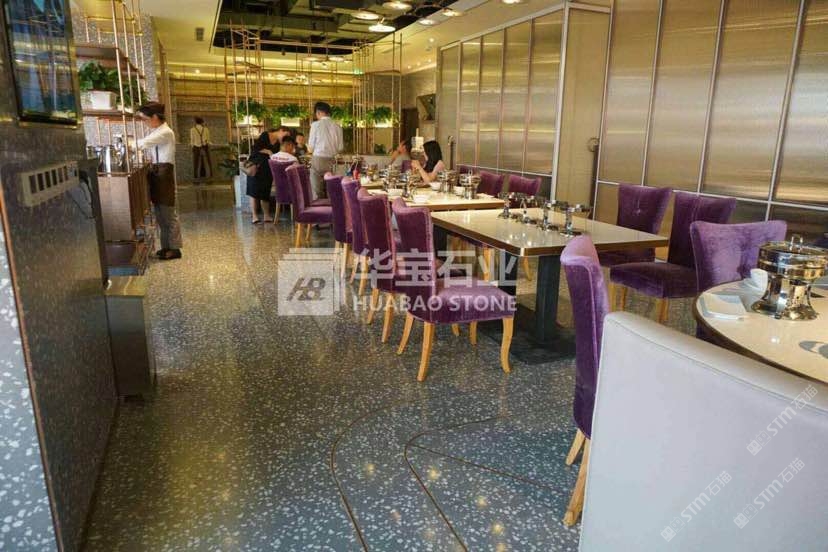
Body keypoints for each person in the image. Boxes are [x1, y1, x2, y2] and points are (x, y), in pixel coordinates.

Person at [137, 102, 182, 260]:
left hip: (164, 173)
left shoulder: (165, 132)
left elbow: (141, 144)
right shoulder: (158, 131)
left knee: (168, 214)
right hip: (158, 172)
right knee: (161, 215)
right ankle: (166, 247)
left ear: (155, 117)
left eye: (145, 119)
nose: (145, 122)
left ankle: (175, 249)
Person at [307, 101, 343, 199]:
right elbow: (340, 148)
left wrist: (310, 149)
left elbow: (310, 148)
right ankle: (330, 207)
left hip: (318, 160)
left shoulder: (315, 125)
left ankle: (319, 206)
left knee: (317, 191)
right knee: (330, 189)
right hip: (332, 160)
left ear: (318, 112)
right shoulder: (337, 126)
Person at [246, 129, 280, 223]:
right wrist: (268, 152)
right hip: (255, 167)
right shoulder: (265, 135)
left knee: (265, 192)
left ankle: (266, 215)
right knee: (253, 192)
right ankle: (254, 216)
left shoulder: (278, 142)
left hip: (267, 169)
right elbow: (256, 148)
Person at [190, 117, 212, 181]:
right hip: (205, 147)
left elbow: (192, 140)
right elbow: (208, 140)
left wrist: (192, 147)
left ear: (195, 122)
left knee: (196, 162)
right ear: (202, 122)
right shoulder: (206, 129)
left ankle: (196, 176)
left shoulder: (192, 130)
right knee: (207, 161)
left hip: (196, 147)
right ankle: (209, 175)